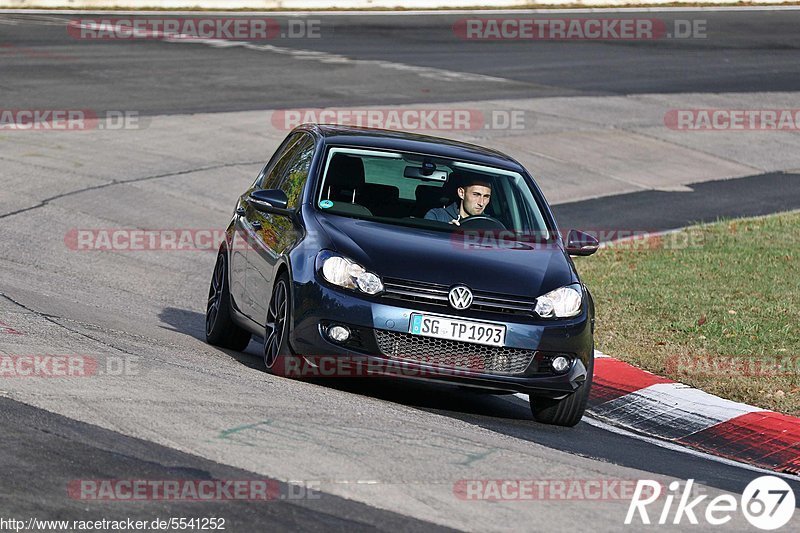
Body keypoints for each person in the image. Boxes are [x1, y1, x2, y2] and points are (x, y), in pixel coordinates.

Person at [424, 177, 492, 226]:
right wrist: (446, 231)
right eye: (476, 195)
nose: (481, 203)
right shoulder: (437, 216)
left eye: (486, 196)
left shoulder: (491, 225)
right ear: (461, 193)